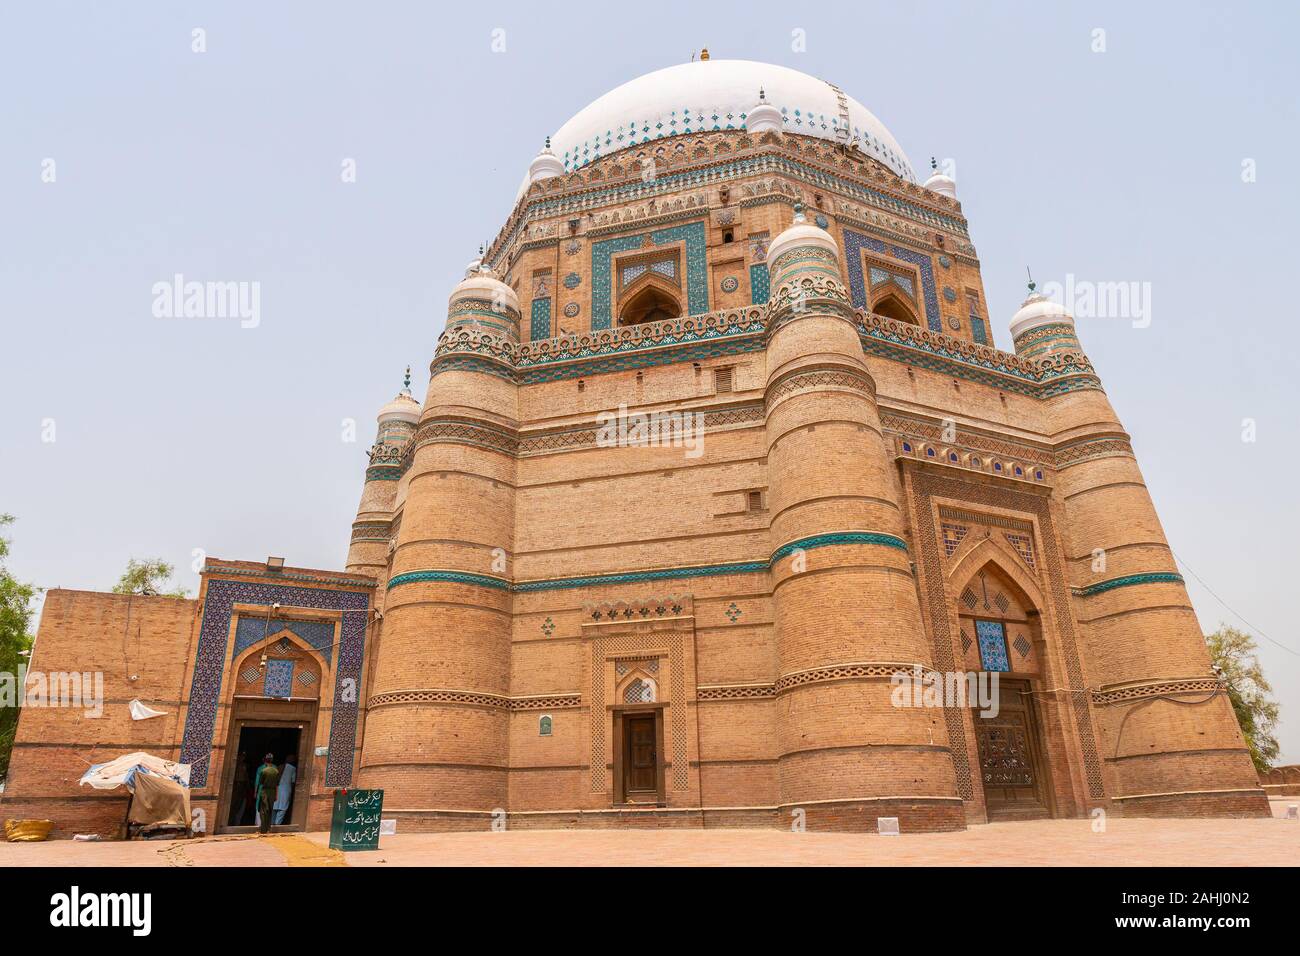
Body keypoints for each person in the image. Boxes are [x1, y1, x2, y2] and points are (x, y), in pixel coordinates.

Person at [253, 752, 280, 834]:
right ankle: (268, 828)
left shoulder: (262, 770)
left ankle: (262, 829)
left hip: (264, 791)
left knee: (263, 810)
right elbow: (277, 784)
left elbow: (258, 782)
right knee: (270, 810)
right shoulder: (276, 770)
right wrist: (276, 795)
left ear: (265, 760)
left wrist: (255, 792)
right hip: (272, 792)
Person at [273, 754, 297, 825]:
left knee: (274, 808)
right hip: (286, 791)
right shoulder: (293, 769)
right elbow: (293, 782)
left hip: (276, 790)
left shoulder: (278, 767)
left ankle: (271, 825)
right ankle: (276, 825)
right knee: (282, 809)